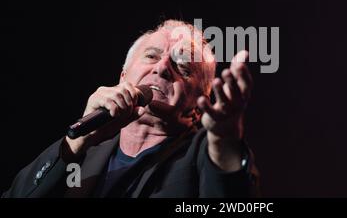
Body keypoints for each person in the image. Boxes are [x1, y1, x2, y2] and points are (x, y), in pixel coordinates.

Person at [2, 20, 259, 197]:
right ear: (123, 77)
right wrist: (75, 146)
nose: (162, 68)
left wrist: (225, 140)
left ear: (197, 106)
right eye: (151, 56)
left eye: (183, 68)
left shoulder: (203, 155)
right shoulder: (85, 153)